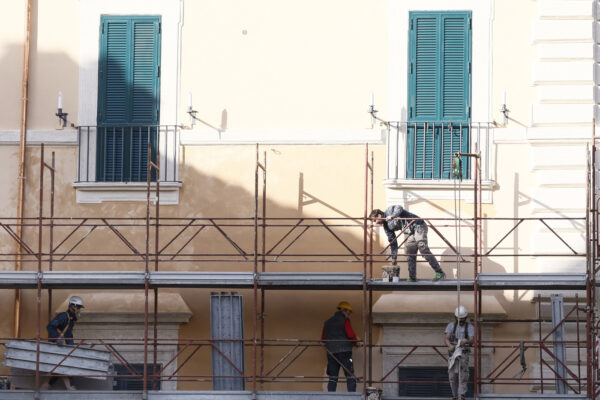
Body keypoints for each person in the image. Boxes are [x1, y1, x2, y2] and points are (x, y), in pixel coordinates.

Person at [370, 206, 446, 282]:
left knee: (423, 248)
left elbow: (399, 208)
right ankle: (412, 277)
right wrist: (394, 257)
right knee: (410, 253)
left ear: (379, 215)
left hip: (419, 225)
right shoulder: (386, 226)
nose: (375, 223)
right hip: (412, 232)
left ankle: (440, 272)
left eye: (375, 220)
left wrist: (393, 216)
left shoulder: (389, 211)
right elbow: (392, 241)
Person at [41, 295, 84, 390]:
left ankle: (47, 385)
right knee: (63, 365)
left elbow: (68, 333)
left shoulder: (71, 319)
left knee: (59, 367)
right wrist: (58, 338)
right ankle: (68, 386)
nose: (79, 310)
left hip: (66, 346)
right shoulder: (63, 316)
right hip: (60, 347)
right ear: (73, 306)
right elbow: (49, 326)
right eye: (79, 308)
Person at [321, 301, 358, 392]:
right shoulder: (345, 320)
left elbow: (323, 339)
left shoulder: (327, 322)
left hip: (331, 353)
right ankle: (352, 397)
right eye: (349, 312)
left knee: (333, 376)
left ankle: (330, 396)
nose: (349, 314)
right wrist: (357, 343)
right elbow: (351, 335)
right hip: (345, 352)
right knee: (350, 375)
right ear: (344, 311)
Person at [444, 305, 474, 400]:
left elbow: (472, 340)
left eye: (462, 318)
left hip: (463, 353)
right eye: (459, 318)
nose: (460, 320)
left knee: (463, 375)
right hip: (453, 354)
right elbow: (446, 338)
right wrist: (449, 345)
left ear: (465, 317)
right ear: (455, 317)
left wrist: (466, 341)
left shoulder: (469, 327)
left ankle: (462, 396)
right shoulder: (451, 326)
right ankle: (454, 396)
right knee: (452, 376)